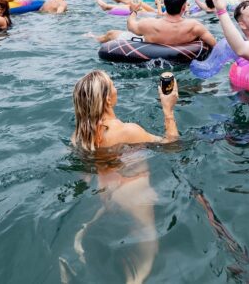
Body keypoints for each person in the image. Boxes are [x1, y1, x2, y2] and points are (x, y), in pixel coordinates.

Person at [71, 69, 179, 283]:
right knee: (150, 245)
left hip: (103, 192)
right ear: (107, 100)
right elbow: (172, 145)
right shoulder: (128, 131)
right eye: (113, 86)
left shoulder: (79, 136)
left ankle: (80, 237)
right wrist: (168, 109)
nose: (116, 88)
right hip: (131, 191)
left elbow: (85, 172)